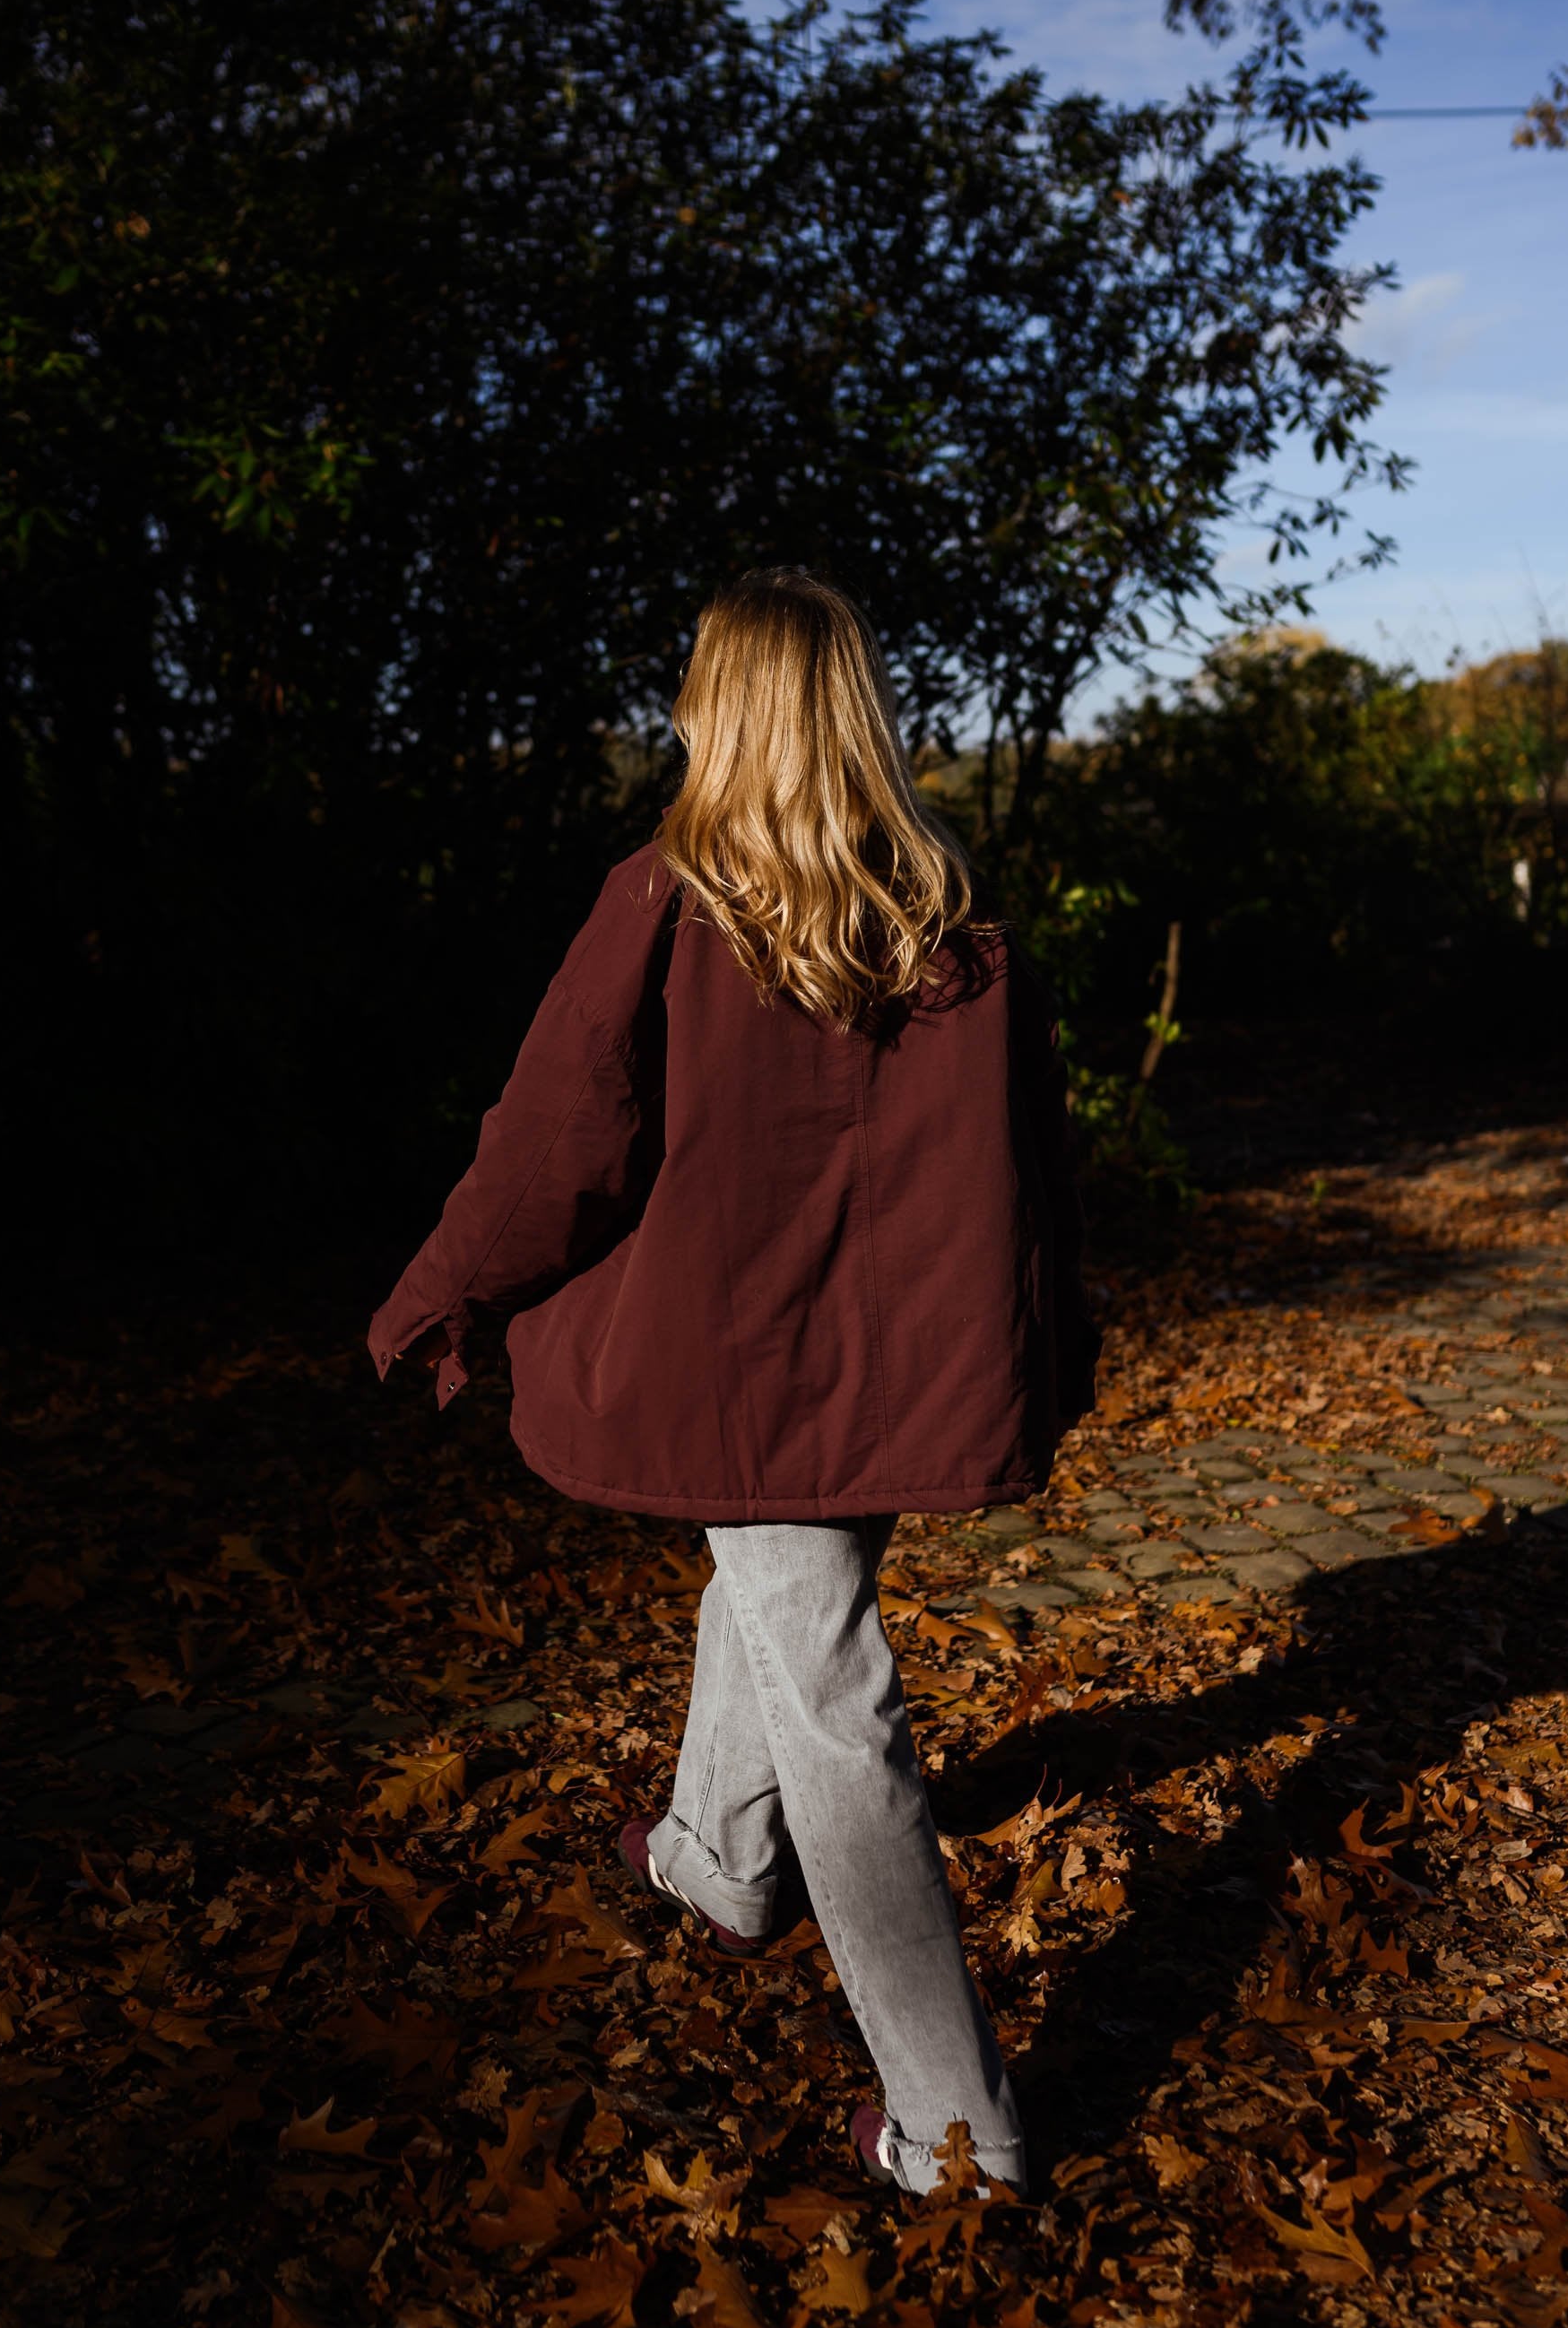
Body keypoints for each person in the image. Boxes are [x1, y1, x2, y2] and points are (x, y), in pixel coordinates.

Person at [368, 566, 1099, 2197]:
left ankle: (953, 2127)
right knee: (776, 1582)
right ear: (857, 720)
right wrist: (1063, 1339)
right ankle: (717, 1858)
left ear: (722, 710)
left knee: (836, 1702)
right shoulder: (955, 937)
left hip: (741, 1374)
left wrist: (435, 1299)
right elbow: (1040, 1180)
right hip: (882, 1376)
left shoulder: (665, 903)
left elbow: (549, 1147)